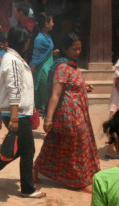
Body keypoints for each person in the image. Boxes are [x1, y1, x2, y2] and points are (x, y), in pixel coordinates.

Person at [0, 27, 45, 199]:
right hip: (16, 114)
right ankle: (27, 189)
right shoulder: (13, 61)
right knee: (28, 150)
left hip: (17, 112)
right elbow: (14, 88)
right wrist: (15, 116)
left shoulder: (12, 58)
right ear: (24, 43)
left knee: (17, 150)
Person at [34, 33, 100, 190]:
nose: (77, 52)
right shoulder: (62, 67)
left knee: (56, 144)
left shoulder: (72, 65)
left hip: (79, 113)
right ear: (65, 48)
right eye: (74, 49)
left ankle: (35, 169)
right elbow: (55, 95)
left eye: (79, 48)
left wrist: (83, 87)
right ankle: (78, 180)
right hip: (68, 115)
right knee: (76, 146)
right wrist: (48, 118)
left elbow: (71, 85)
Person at [31, 13, 58, 115]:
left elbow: (44, 52)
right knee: (47, 98)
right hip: (42, 71)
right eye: (51, 21)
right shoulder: (39, 39)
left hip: (48, 68)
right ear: (46, 23)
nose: (53, 24)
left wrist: (52, 53)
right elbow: (36, 56)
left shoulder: (47, 36)